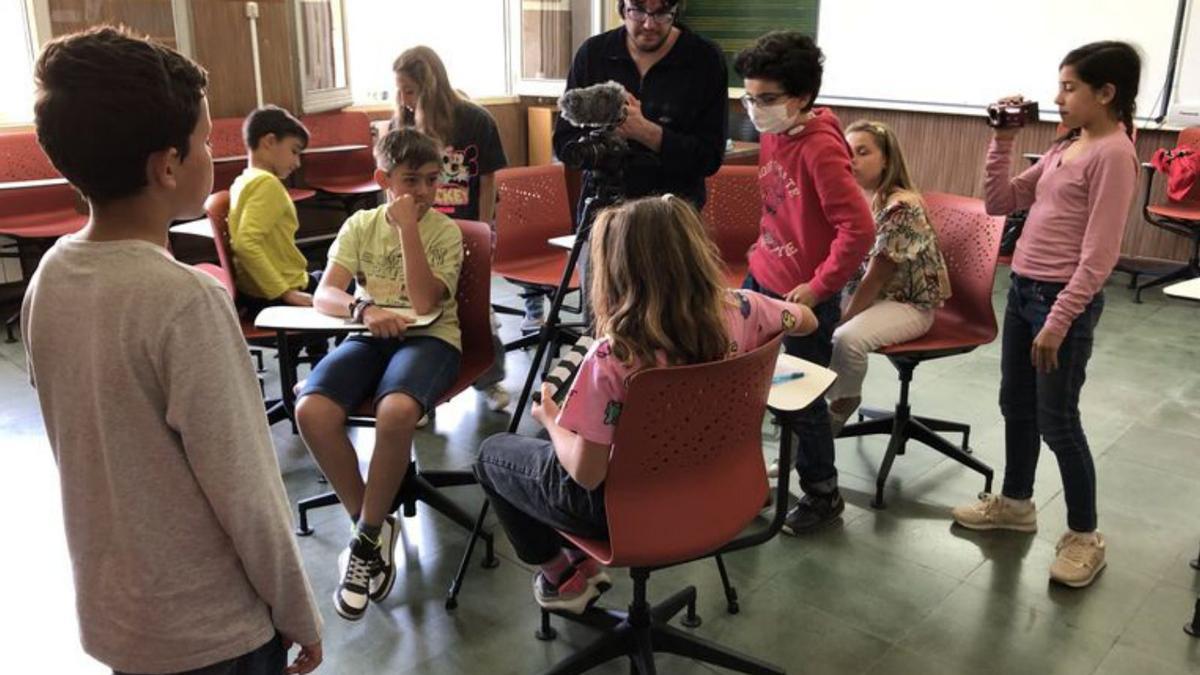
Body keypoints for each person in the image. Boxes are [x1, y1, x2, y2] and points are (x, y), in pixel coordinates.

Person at [22, 27, 322, 674]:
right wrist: (299, 611)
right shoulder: (185, 301)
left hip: (119, 618)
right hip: (213, 631)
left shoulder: (48, 276)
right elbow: (248, 493)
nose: (214, 154)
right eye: (207, 141)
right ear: (167, 166)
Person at [474, 195, 818, 612]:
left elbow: (586, 475)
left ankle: (562, 576)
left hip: (621, 511)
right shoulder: (746, 307)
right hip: (711, 485)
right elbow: (806, 321)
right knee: (548, 456)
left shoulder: (612, 356)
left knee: (496, 456)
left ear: (615, 270)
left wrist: (551, 420)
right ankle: (576, 562)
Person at [952, 42, 1142, 589]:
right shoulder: (1069, 145)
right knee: (1017, 405)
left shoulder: (1114, 154)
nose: (1057, 98)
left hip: (1061, 303)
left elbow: (1100, 254)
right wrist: (1002, 139)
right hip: (1024, 293)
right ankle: (1016, 504)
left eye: (1069, 88)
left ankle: (1084, 536)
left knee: (1059, 422)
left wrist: (1060, 320)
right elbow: (999, 202)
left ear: (1105, 93)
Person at [295, 128, 464, 621]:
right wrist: (364, 309)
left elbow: (425, 303)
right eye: (411, 181)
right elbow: (326, 293)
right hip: (370, 332)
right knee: (312, 409)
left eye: (433, 180)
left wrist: (409, 228)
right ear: (383, 180)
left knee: (396, 412)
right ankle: (371, 527)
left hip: (432, 338)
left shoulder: (444, 231)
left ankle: (364, 542)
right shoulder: (361, 225)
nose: (425, 192)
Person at [733, 31, 875, 534]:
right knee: (745, 387)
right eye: (750, 97)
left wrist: (819, 287)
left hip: (802, 296)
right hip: (762, 277)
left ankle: (822, 494)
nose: (756, 109)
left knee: (801, 399)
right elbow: (781, 209)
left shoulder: (820, 148)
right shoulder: (776, 132)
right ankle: (747, 483)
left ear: (802, 97)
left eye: (767, 99)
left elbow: (859, 229)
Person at [392, 45, 511, 413]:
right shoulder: (403, 124)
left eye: (409, 90)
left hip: (465, 227)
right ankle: (418, 392)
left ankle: (487, 380)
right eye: (399, 90)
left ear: (428, 87)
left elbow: (489, 179)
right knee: (419, 307)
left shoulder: (474, 119)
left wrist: (485, 227)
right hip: (419, 227)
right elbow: (392, 181)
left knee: (474, 309)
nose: (403, 99)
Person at [827, 120, 951, 433]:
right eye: (846, 152)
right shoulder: (852, 199)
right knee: (803, 321)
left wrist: (843, 317)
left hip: (907, 303)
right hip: (866, 294)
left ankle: (842, 402)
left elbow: (877, 277)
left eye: (863, 152)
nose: (851, 159)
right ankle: (806, 413)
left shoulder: (902, 207)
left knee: (846, 338)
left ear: (886, 159)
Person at [228, 105, 317, 319]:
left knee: (326, 276)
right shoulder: (267, 184)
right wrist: (285, 293)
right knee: (349, 287)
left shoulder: (243, 180)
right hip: (276, 294)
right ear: (269, 142)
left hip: (255, 291)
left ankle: (317, 345)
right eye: (294, 151)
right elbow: (245, 244)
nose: (297, 162)